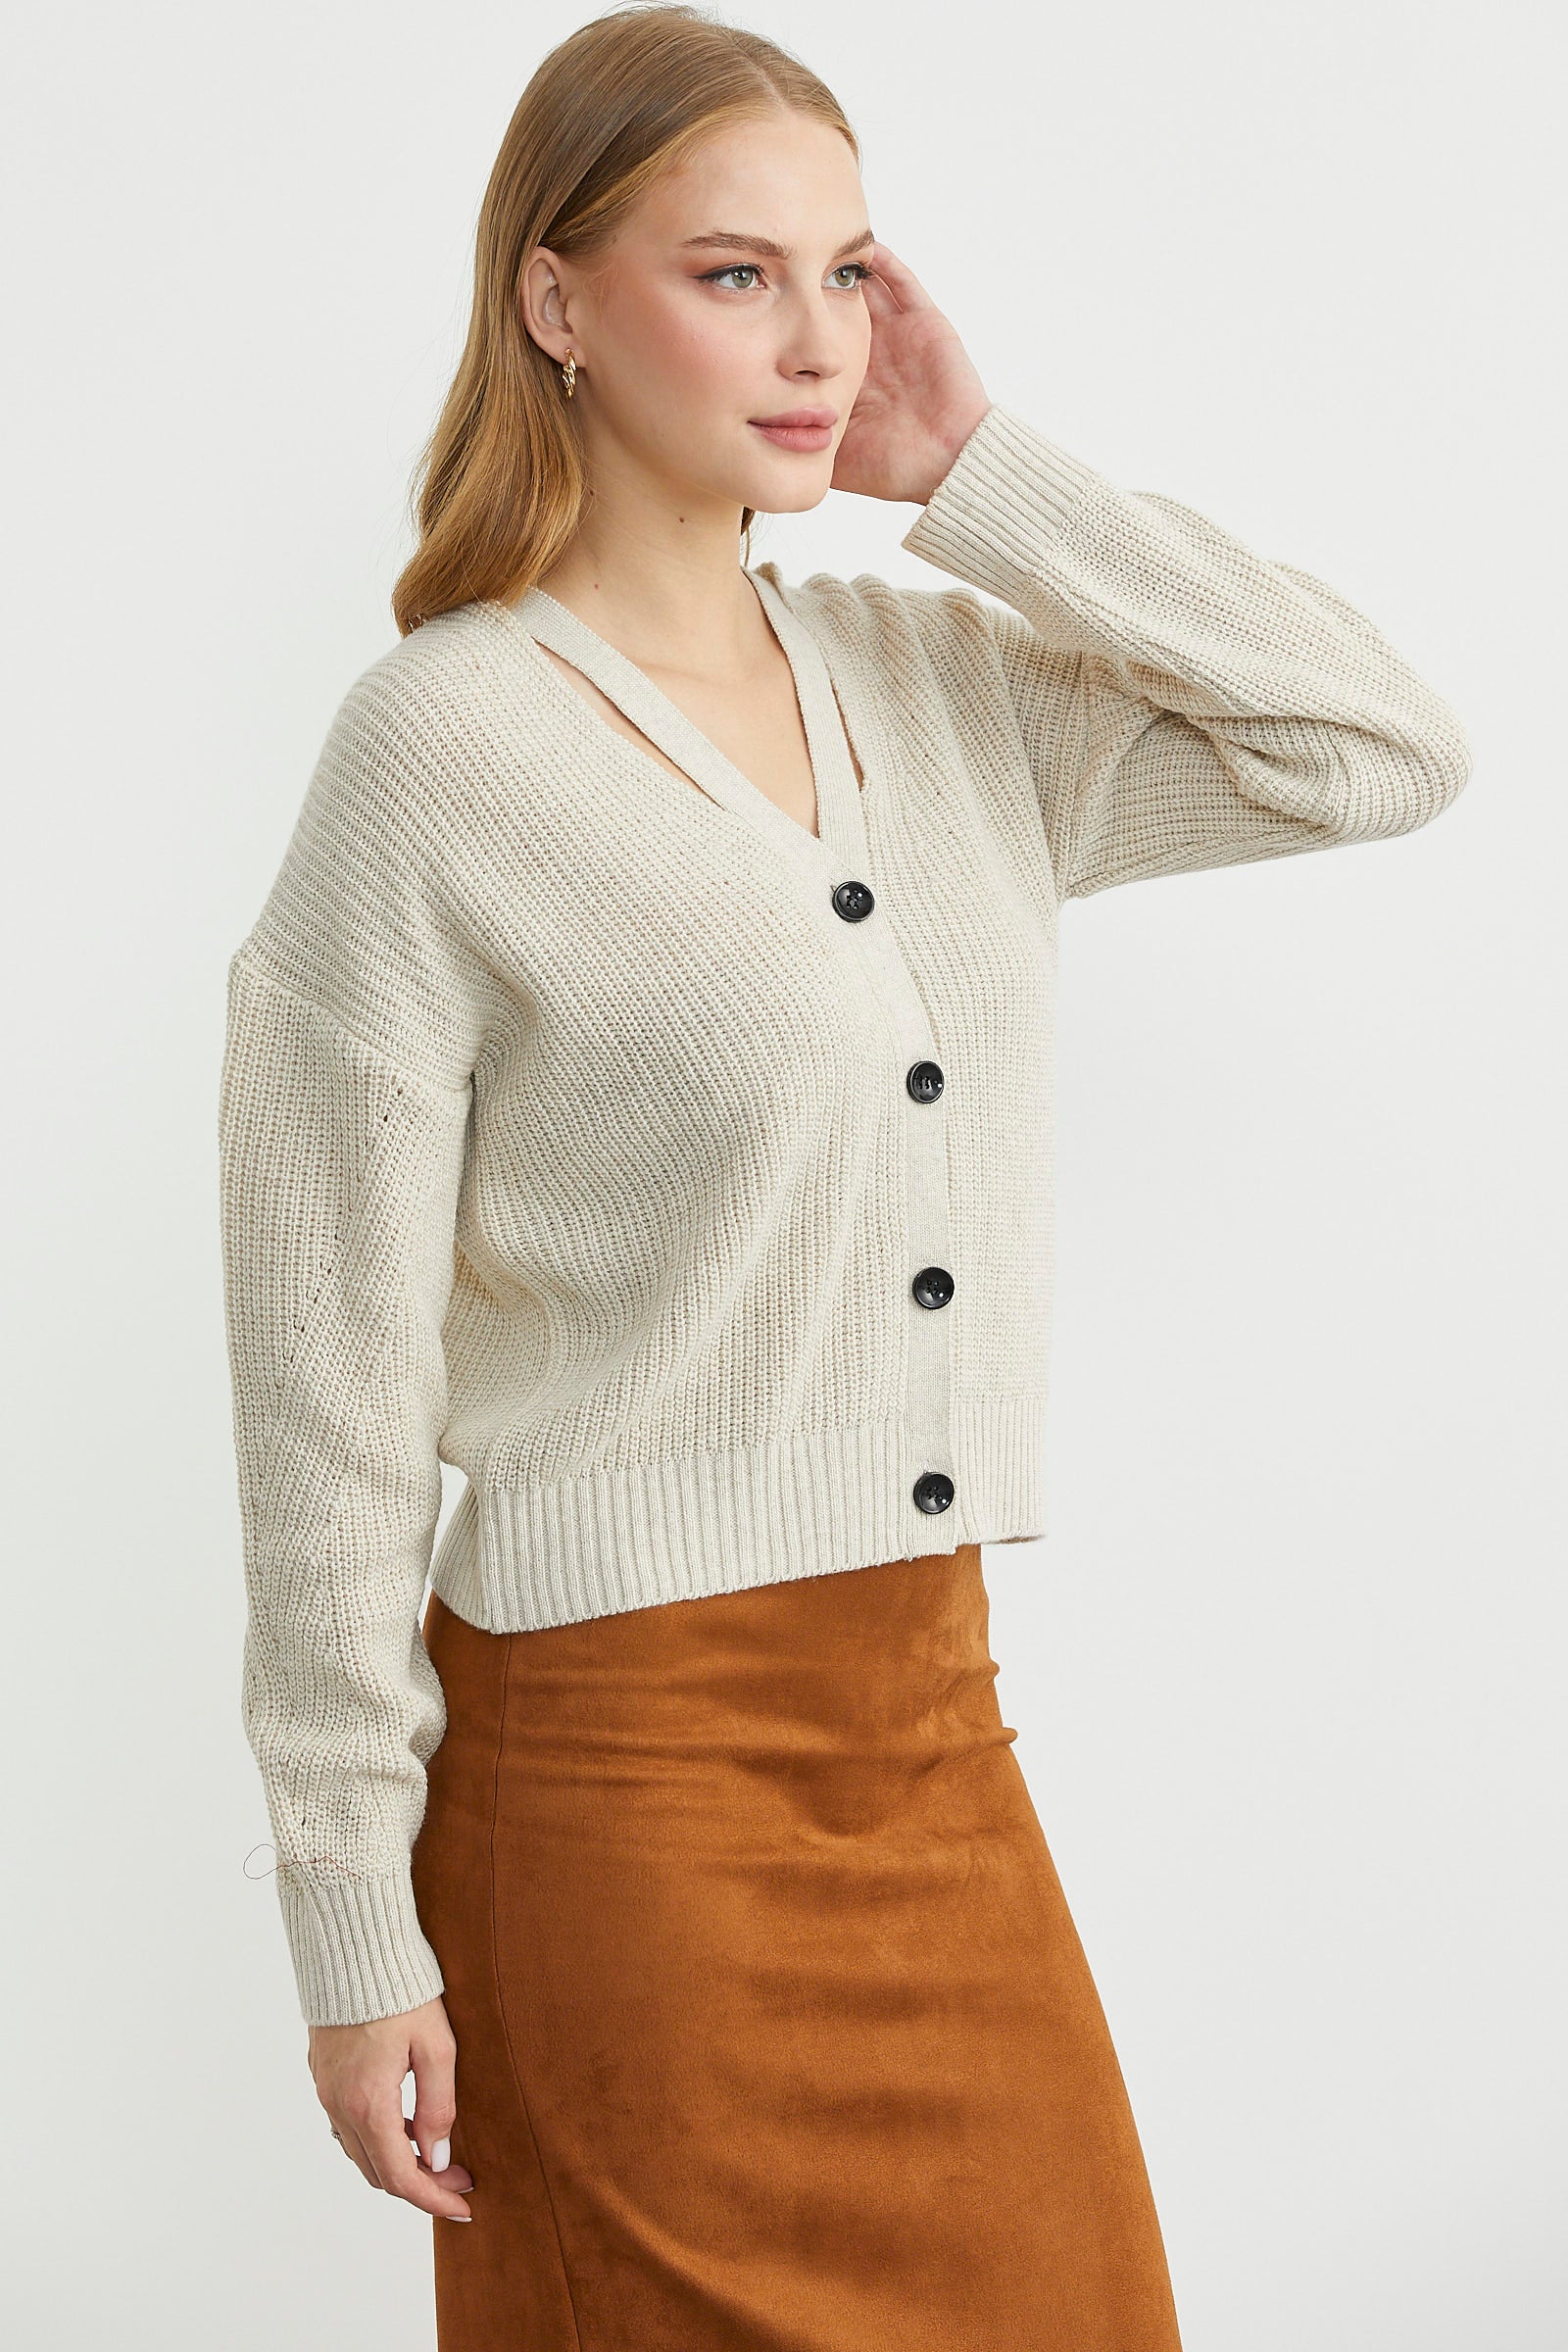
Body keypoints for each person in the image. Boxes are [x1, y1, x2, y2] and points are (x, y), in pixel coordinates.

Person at [217, 6, 1472, 2345]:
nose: (814, 344)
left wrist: (977, 467)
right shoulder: (437, 755)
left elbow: (1374, 749)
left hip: (929, 1733)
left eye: (847, 272)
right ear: (554, 301)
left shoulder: (941, 690)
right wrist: (348, 1920)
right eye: (734, 276)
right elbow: (328, 1393)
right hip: (617, 1790)